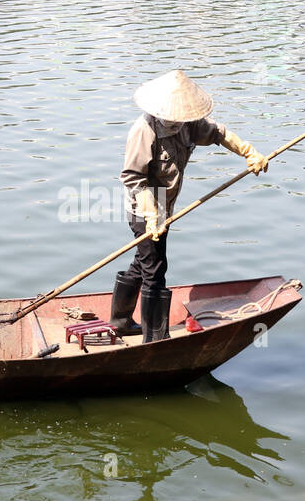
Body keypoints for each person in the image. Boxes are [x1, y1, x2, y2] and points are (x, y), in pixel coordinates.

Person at [114, 70, 268, 342]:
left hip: (165, 208)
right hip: (143, 208)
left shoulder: (187, 124)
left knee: (145, 261)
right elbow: (133, 178)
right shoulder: (144, 130)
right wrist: (152, 216)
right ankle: (155, 340)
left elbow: (219, 134)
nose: (177, 122)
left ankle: (121, 321)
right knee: (155, 269)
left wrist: (249, 151)